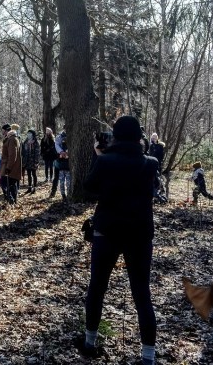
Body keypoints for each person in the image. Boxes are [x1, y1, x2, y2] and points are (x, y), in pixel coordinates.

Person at [81, 116, 158, 365]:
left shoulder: (105, 160)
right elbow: (153, 189)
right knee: (141, 292)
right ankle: (148, 355)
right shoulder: (150, 163)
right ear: (138, 136)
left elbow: (89, 187)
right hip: (140, 233)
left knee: (97, 287)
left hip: (108, 231)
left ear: (115, 135)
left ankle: (89, 342)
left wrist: (98, 156)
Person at [1, 124, 23, 204]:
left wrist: (8, 167)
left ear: (6, 130)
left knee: (7, 183)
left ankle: (11, 201)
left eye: (3, 130)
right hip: (9, 165)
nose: (2, 131)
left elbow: (12, 155)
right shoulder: (11, 138)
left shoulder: (11, 139)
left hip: (11, 166)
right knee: (10, 183)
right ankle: (11, 201)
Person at [21, 129, 41, 194]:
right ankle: (29, 187)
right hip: (27, 161)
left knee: (34, 174)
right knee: (29, 174)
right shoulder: (26, 141)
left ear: (33, 134)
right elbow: (23, 151)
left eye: (30, 133)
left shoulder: (36, 142)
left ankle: (34, 188)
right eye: (28, 133)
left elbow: (37, 153)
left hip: (33, 161)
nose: (28, 135)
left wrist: (36, 162)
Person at [56, 133, 71, 204]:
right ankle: (63, 194)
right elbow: (58, 159)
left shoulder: (70, 150)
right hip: (61, 169)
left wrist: (68, 155)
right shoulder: (60, 150)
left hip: (68, 169)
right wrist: (61, 156)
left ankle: (68, 195)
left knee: (68, 183)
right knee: (61, 182)